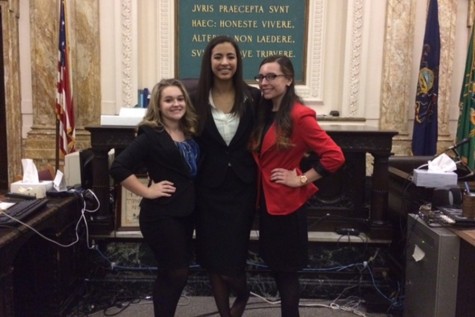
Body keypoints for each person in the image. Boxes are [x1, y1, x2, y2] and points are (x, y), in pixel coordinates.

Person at [250, 55, 345, 317]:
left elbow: (335, 156)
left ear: (289, 80)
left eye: (272, 76)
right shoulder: (263, 111)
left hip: (287, 205)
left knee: (287, 273)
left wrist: (301, 178)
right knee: (277, 269)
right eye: (261, 77)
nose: (264, 82)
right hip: (267, 202)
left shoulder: (299, 116)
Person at [109, 78, 200, 317]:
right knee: (176, 272)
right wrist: (148, 190)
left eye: (180, 99)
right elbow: (118, 167)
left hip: (185, 213)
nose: (176, 104)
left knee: (171, 272)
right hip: (161, 215)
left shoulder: (189, 130)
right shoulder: (151, 134)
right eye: (168, 100)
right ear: (158, 105)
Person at [191, 35, 260, 317]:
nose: (224, 63)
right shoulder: (194, 98)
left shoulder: (253, 97)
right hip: (208, 188)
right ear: (209, 61)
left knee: (234, 256)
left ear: (238, 61)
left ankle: (243, 294)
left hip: (242, 187)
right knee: (213, 258)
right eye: (218, 57)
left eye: (230, 57)